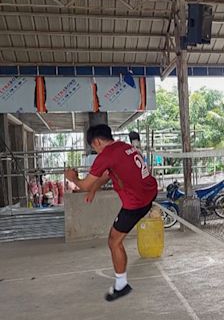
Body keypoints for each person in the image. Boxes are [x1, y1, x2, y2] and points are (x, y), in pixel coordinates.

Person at [64, 124, 158, 301]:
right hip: (149, 192)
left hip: (136, 203)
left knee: (113, 242)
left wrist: (72, 177)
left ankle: (121, 285)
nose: (95, 151)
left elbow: (83, 184)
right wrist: (94, 188)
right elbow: (108, 174)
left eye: (93, 147)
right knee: (116, 240)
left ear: (97, 141)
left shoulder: (106, 155)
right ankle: (121, 283)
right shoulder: (124, 147)